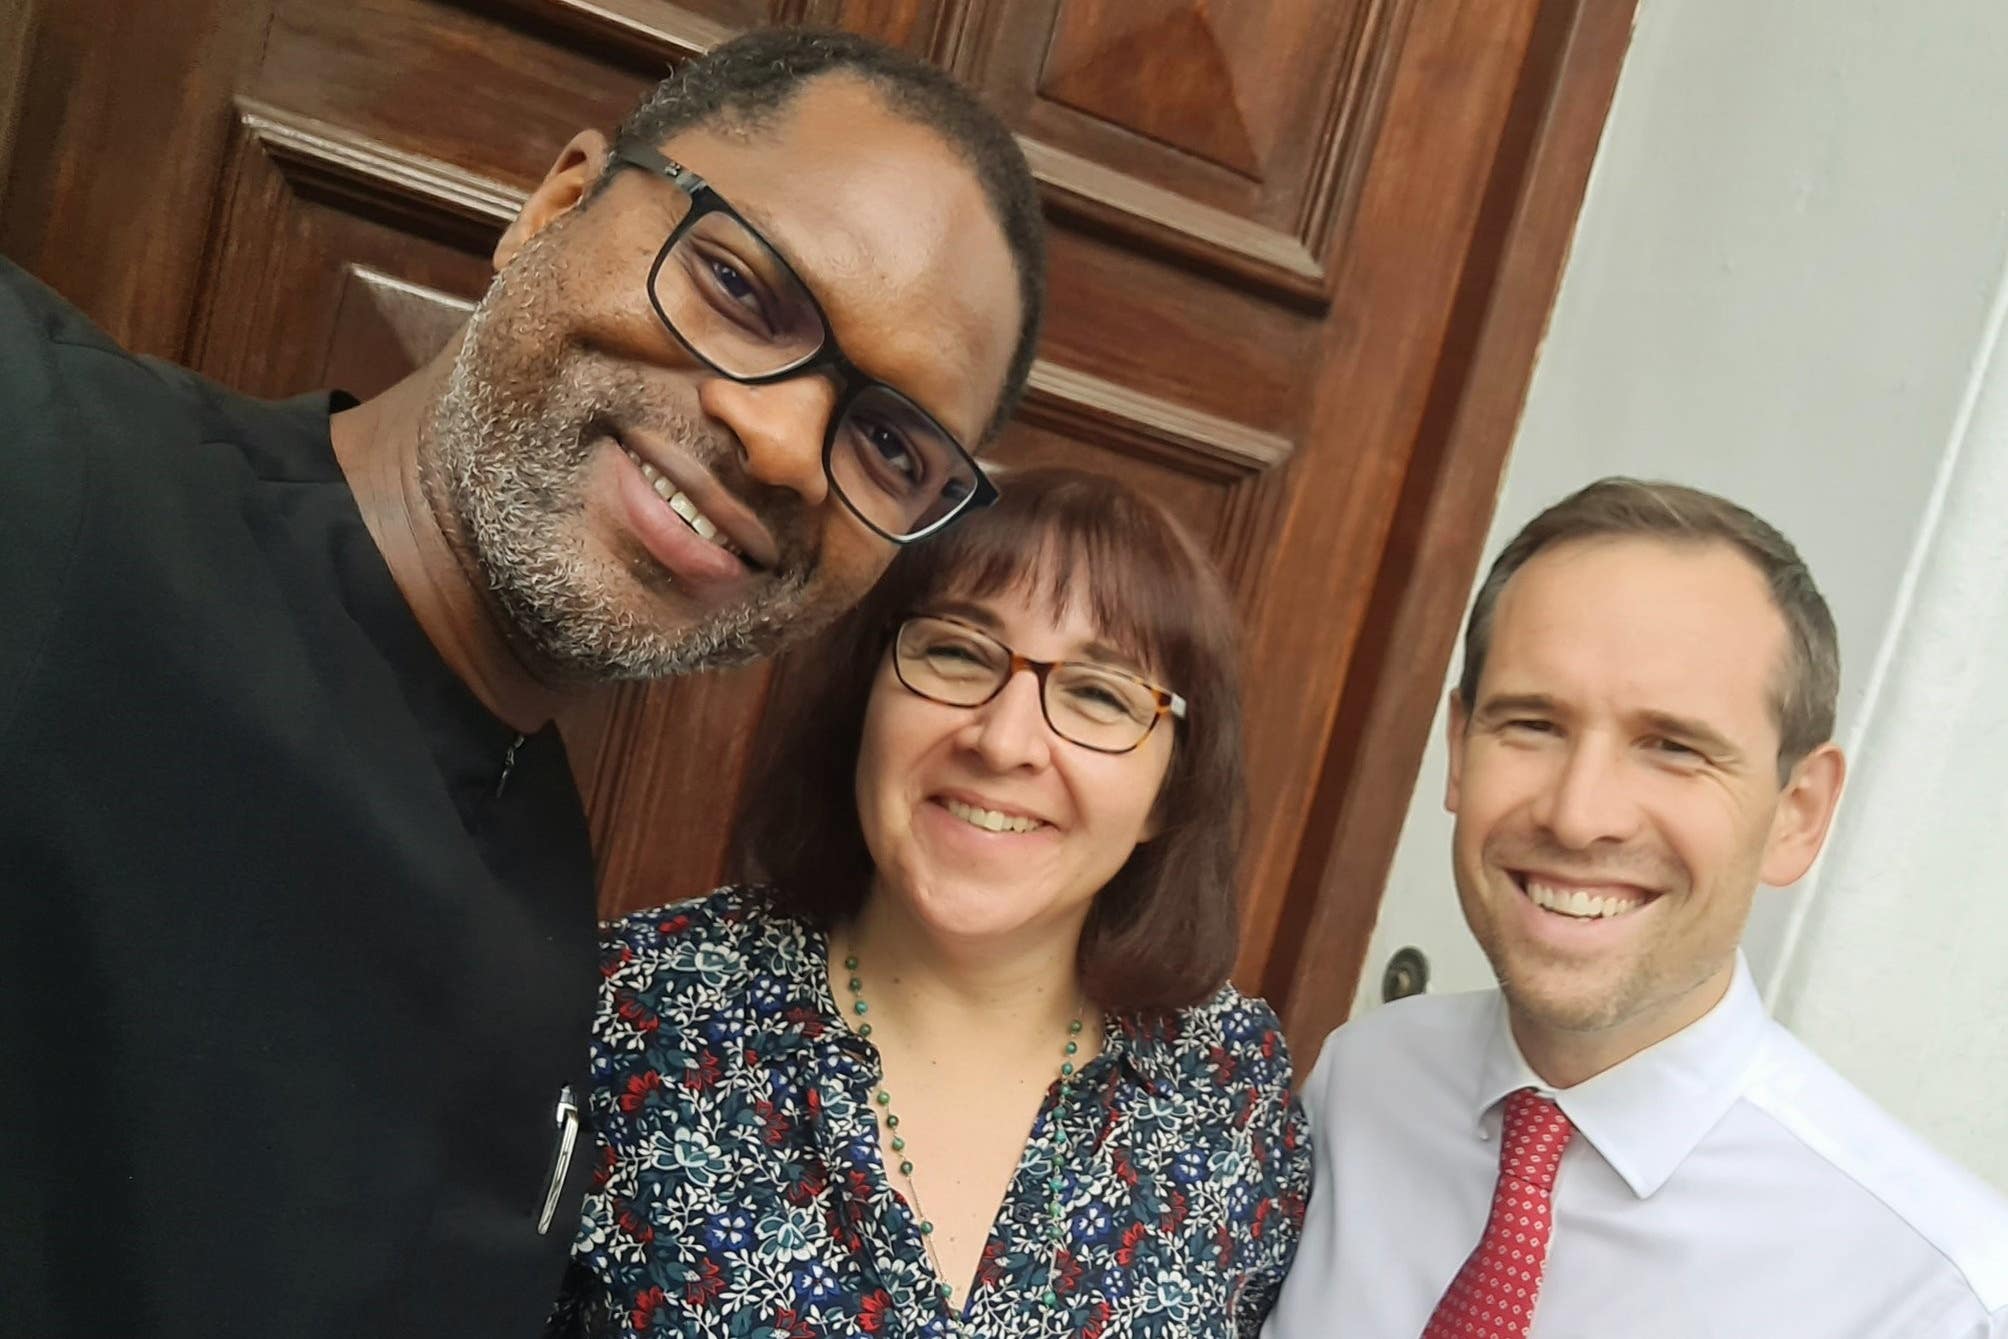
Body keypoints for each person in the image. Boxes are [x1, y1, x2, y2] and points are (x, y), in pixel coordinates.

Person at [0, 27, 1045, 1339]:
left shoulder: (549, 873)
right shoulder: (52, 480)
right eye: (739, 285)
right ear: (557, 203)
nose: (780, 441)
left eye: (889, 443)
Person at [551, 467, 1310, 1337]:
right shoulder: (630, 1007)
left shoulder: (1233, 1092)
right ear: (866, 695)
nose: (1003, 740)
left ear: (1169, 793)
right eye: (956, 651)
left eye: (1100, 695)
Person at [1265, 478, 2008, 1338]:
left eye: (1673, 747)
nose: (1579, 815)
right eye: (1533, 724)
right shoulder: (1361, 1083)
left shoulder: (1936, 1295)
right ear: (1460, 751)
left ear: (1797, 812)